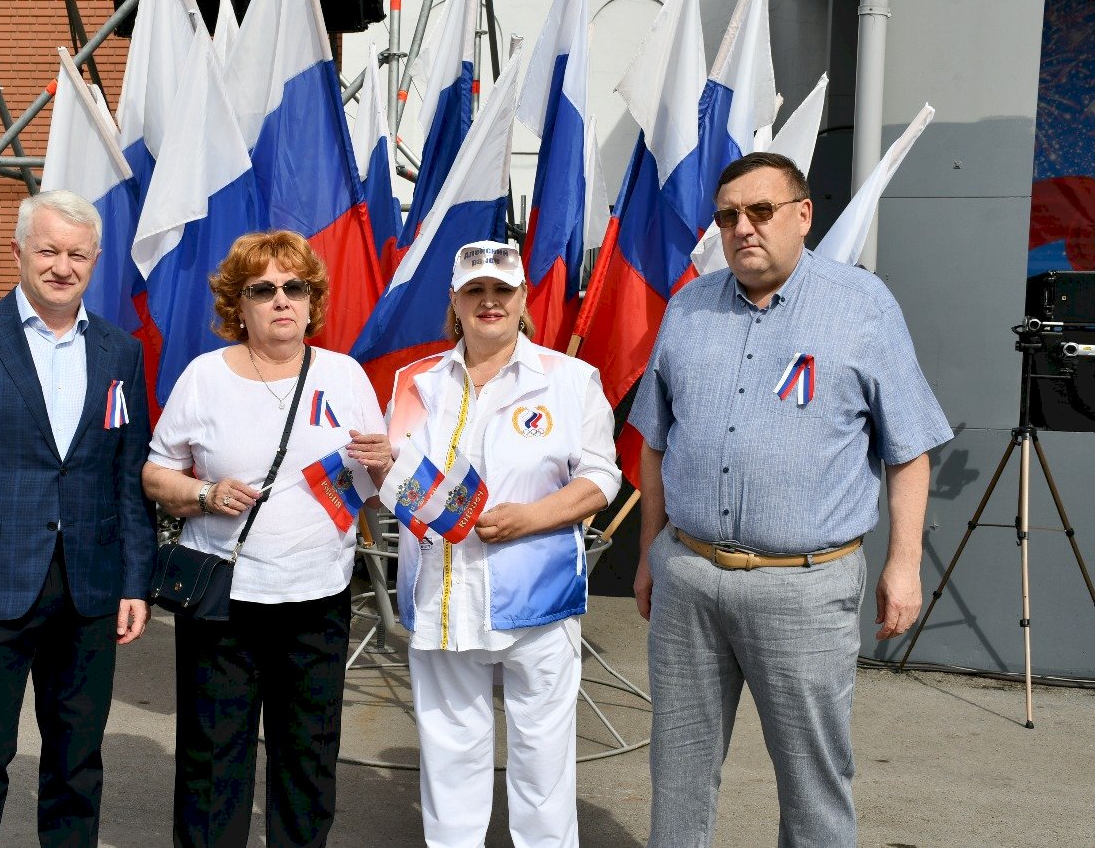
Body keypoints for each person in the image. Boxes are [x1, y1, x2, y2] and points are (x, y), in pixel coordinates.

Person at [629, 152, 954, 846]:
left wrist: (904, 564)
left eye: (760, 211)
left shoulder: (863, 307)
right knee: (678, 774)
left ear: (803, 215)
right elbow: (655, 445)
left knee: (813, 783)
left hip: (803, 588)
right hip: (688, 575)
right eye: (727, 216)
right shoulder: (687, 308)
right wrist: (649, 553)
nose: (742, 228)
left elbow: (910, 449)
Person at [0, 190, 157, 847]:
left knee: (78, 765)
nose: (62, 265)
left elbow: (126, 474)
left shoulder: (120, 354)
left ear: (95, 260)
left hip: (90, 589)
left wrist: (135, 580)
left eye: (77, 253)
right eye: (48, 250)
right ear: (19, 252)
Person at [141, 230, 391, 847]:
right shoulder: (205, 377)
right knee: (212, 758)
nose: (281, 301)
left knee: (308, 756)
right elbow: (154, 472)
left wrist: (385, 464)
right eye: (263, 289)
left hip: (317, 599)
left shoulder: (345, 374)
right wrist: (203, 494)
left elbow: (377, 483)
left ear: (311, 300)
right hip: (225, 601)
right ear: (238, 304)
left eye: (293, 287)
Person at [385, 241, 621, 848]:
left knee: (542, 757)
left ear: (523, 299)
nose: (489, 302)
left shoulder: (570, 379)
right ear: (455, 302)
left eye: (502, 291)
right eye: (475, 291)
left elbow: (601, 477)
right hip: (440, 595)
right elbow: (393, 477)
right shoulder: (414, 381)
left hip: (535, 600)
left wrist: (532, 517)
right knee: (449, 749)